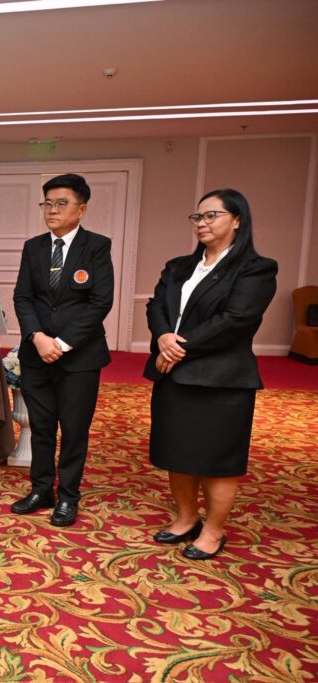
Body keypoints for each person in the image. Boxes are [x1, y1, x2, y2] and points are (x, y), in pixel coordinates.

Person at [144, 189, 277, 560]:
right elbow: (156, 306)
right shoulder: (178, 266)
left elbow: (235, 320)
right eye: (197, 217)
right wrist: (163, 336)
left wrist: (177, 348)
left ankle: (214, 530)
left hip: (221, 380)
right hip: (173, 375)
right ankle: (186, 518)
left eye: (211, 215)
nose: (201, 223)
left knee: (217, 462)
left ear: (237, 220)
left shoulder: (256, 268)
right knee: (177, 453)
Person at [11, 173, 114, 527]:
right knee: (41, 427)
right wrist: (37, 337)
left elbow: (100, 302)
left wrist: (63, 343)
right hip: (36, 354)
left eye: (61, 203)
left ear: (81, 209)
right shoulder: (33, 247)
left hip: (80, 356)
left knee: (73, 430)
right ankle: (41, 490)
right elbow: (23, 297)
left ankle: (68, 496)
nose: (52, 210)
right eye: (47, 203)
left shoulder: (97, 246)